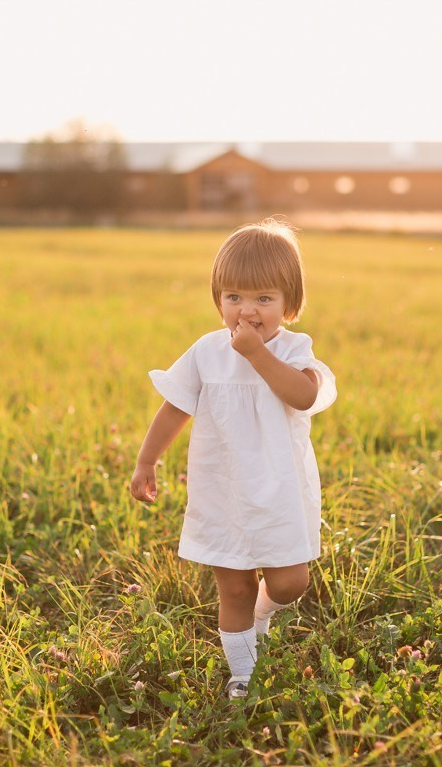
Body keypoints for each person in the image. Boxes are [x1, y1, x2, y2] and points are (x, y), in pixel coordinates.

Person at [129, 218, 337, 700]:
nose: (248, 310)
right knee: (234, 588)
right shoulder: (206, 351)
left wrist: (256, 355)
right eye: (234, 297)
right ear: (218, 299)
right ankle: (242, 674)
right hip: (223, 489)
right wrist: (147, 461)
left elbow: (303, 396)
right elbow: (175, 407)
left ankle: (265, 614)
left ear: (290, 303)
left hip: (279, 488)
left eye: (264, 298)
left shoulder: (292, 348)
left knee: (290, 583)